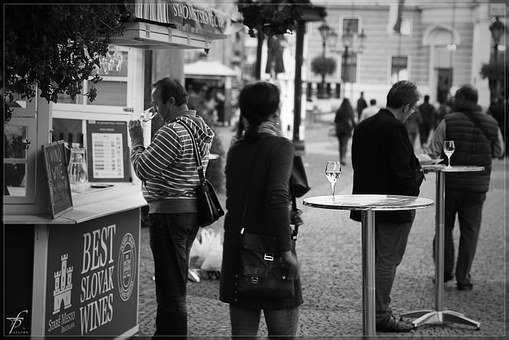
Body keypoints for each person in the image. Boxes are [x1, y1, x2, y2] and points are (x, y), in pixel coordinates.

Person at [129, 77, 214, 337]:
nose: (155, 110)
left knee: (170, 285)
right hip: (189, 212)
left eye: (157, 103)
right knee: (174, 279)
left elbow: (143, 168)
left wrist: (136, 140)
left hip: (169, 213)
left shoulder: (173, 131)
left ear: (172, 101)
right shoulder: (200, 127)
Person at [220, 81, 301, 337]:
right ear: (275, 111)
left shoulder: (236, 149)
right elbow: (276, 198)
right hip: (271, 250)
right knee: (282, 335)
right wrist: (286, 250)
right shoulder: (281, 147)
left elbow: (239, 200)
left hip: (238, 248)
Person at [351, 80, 424, 332]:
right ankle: (380, 315)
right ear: (405, 107)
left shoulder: (363, 126)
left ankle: (375, 310)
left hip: (367, 204)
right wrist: (419, 174)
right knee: (387, 261)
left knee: (373, 259)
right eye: (413, 108)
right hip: (393, 206)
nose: (413, 112)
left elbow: (358, 165)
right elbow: (404, 173)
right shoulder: (395, 129)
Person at [428, 85, 504, 290]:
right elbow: (499, 151)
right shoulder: (491, 123)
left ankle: (444, 272)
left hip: (451, 184)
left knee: (443, 227)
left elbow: (433, 150)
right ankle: (464, 278)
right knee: (470, 231)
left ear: (460, 99)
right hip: (477, 187)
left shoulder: (448, 120)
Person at [334, 98, 356, 165]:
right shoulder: (350, 110)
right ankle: (343, 158)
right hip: (347, 129)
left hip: (339, 129)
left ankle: (341, 157)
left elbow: (336, 121)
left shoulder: (339, 110)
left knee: (341, 144)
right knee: (345, 144)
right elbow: (352, 120)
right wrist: (355, 127)